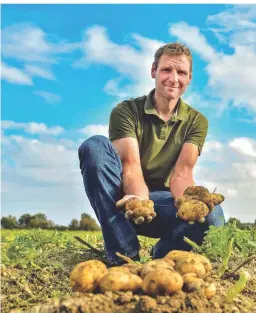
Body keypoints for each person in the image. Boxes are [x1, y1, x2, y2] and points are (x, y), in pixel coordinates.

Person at [78, 43, 225, 265]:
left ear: (189, 78)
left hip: (163, 203)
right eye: (167, 70)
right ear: (154, 71)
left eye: (181, 72)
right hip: (123, 200)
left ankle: (163, 253)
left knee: (213, 216)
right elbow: (131, 165)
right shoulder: (126, 111)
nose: (174, 78)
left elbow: (182, 173)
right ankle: (124, 255)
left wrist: (191, 205)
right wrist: (138, 201)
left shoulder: (197, 121)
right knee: (94, 147)